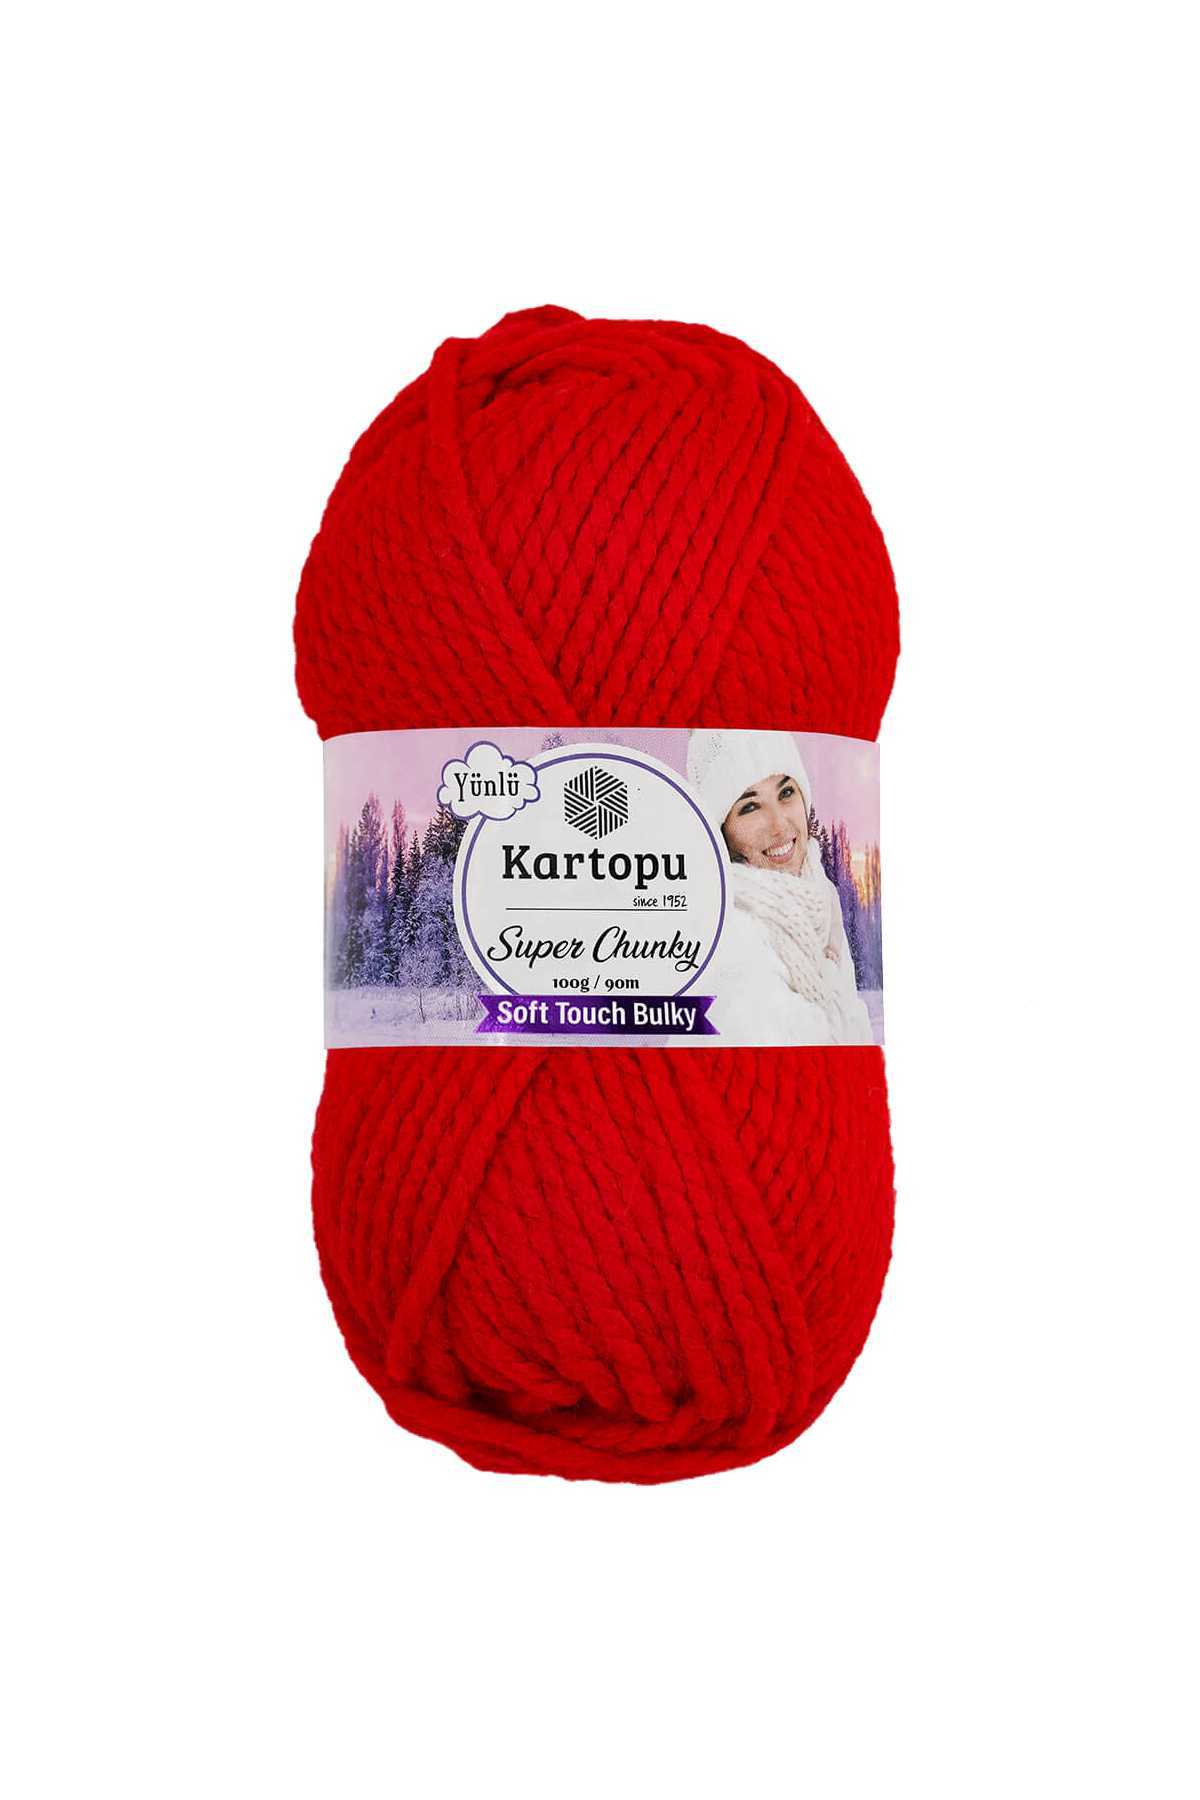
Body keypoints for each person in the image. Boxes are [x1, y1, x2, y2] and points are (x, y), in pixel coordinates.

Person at [687, 729, 873, 1046]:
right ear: (721, 831)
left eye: (786, 793)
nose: (779, 825)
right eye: (750, 807)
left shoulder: (819, 899)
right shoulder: (726, 935)